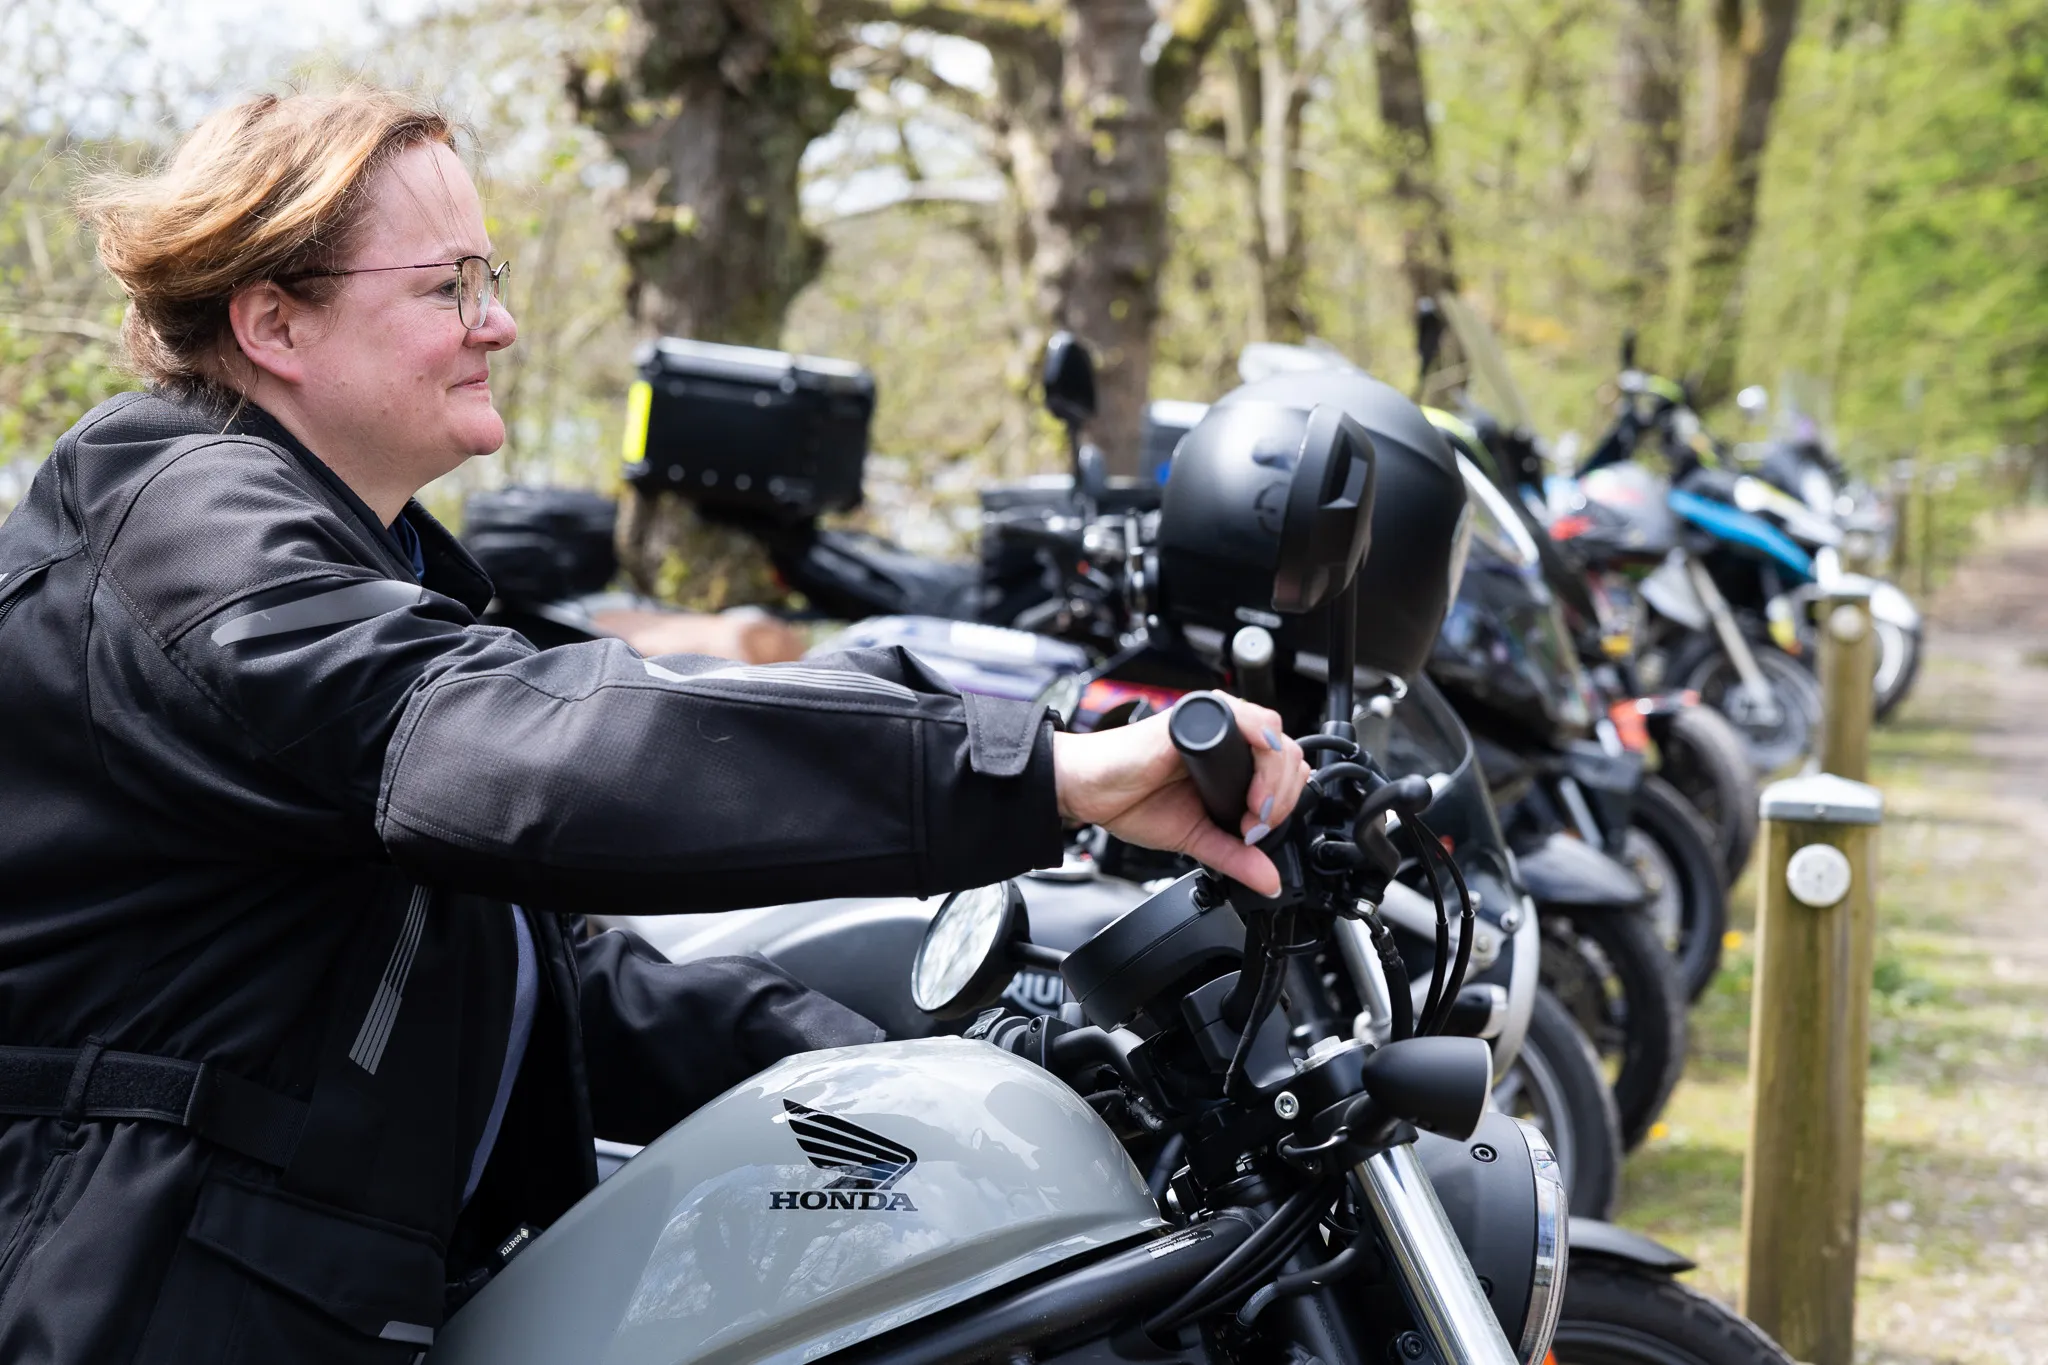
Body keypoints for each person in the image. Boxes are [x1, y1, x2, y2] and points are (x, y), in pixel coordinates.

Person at [0, 89, 1308, 1363]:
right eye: (446, 286)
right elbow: (526, 751)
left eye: (490, 277)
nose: (499, 324)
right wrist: (1044, 776)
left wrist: (958, 1078)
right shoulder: (188, 534)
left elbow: (551, 991)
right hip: (135, 1302)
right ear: (276, 321)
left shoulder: (350, 560)